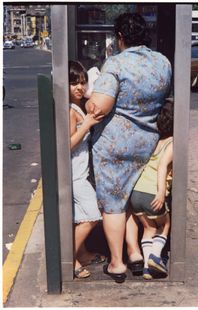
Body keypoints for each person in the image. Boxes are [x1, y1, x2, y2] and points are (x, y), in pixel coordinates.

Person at [85, 13, 172, 283]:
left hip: (114, 145)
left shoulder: (117, 63)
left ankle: (117, 262)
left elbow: (99, 107)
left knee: (113, 204)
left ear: (120, 37)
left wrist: (90, 95)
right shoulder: (162, 61)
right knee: (132, 199)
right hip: (148, 141)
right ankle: (135, 252)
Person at [69, 61, 105, 278]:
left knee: (82, 216)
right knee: (92, 215)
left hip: (80, 173)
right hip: (74, 176)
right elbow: (68, 143)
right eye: (74, 83)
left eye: (82, 82)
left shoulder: (78, 107)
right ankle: (69, 257)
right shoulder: (71, 111)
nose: (79, 88)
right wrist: (87, 124)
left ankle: (82, 254)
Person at [130, 99, 173, 279]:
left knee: (148, 229)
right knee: (165, 224)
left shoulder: (155, 141)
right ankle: (156, 256)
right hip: (151, 192)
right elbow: (162, 166)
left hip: (136, 193)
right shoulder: (173, 143)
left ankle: (148, 269)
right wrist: (161, 192)